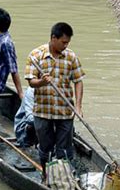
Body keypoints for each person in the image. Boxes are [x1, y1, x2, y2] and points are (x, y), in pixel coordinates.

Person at [25, 22, 84, 180]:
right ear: (53, 38)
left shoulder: (71, 57)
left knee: (64, 149)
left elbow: (78, 81)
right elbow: (31, 81)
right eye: (63, 42)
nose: (66, 46)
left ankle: (64, 178)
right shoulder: (35, 55)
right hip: (43, 111)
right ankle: (46, 176)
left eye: (67, 43)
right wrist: (42, 82)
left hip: (65, 111)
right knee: (45, 148)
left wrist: (78, 106)